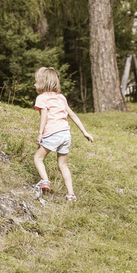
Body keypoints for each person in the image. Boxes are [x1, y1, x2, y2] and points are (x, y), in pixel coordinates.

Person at [32, 66, 93, 202]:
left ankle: (44, 180)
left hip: (52, 133)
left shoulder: (42, 98)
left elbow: (44, 115)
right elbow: (72, 115)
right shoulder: (61, 98)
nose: (34, 84)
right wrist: (84, 132)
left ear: (42, 83)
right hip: (65, 134)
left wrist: (40, 133)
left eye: (36, 81)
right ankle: (71, 195)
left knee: (38, 158)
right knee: (63, 165)